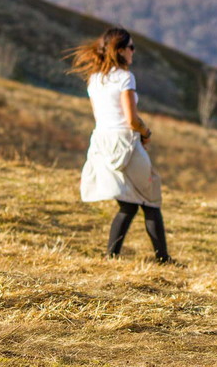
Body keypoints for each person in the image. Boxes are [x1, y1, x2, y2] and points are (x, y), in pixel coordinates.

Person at [69, 27, 172, 263]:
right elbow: (132, 119)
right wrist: (146, 132)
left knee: (128, 204)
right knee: (150, 198)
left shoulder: (94, 79)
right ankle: (163, 259)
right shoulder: (126, 78)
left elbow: (99, 115)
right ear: (121, 50)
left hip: (102, 142)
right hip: (126, 142)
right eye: (131, 47)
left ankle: (112, 255)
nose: (133, 52)